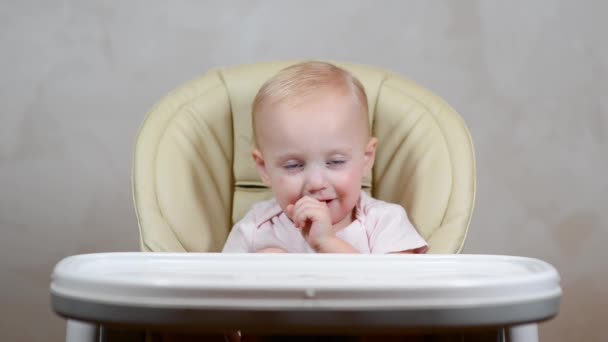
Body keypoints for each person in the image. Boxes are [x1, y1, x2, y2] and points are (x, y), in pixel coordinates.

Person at [222, 61, 427, 255]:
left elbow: (397, 287)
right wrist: (257, 273)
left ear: (366, 158)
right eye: (294, 165)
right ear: (264, 168)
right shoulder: (255, 229)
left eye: (335, 162)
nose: (316, 183)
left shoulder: (385, 222)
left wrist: (327, 243)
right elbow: (217, 286)